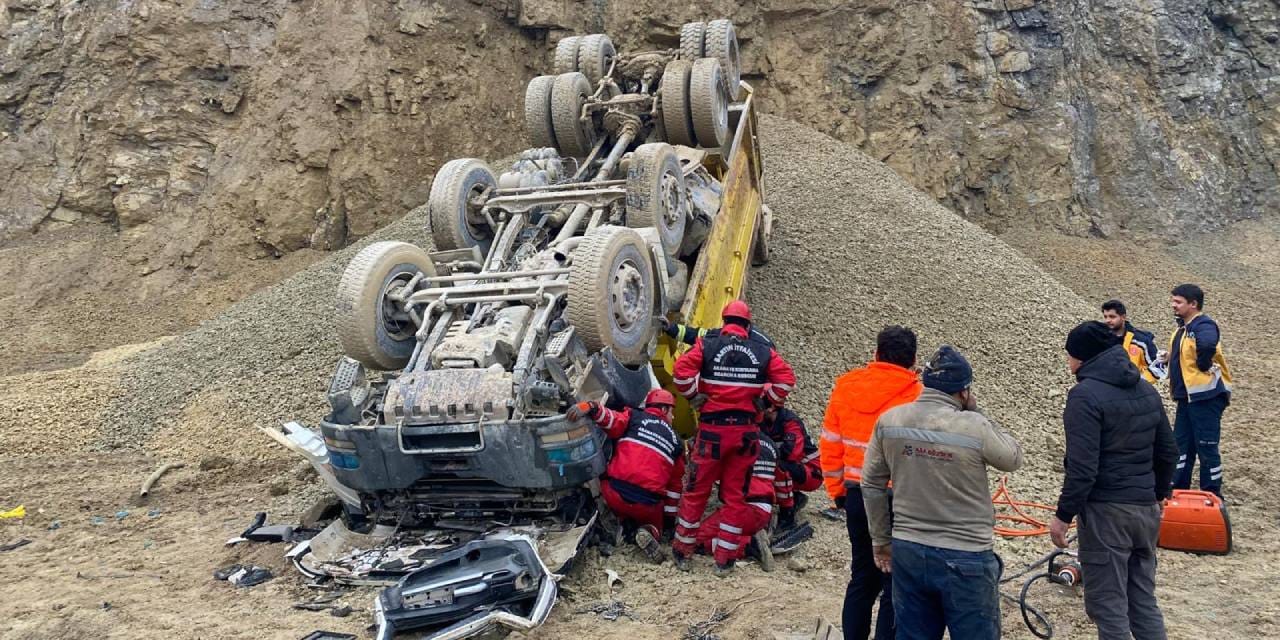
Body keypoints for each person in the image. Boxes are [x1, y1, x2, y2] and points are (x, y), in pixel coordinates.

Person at [862, 346, 1023, 640]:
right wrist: (975, 411)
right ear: (963, 390)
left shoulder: (890, 420)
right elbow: (1012, 458)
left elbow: (871, 485)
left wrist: (881, 540)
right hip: (966, 555)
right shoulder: (974, 425)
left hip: (909, 548)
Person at [1048, 321, 1177, 640]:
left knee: (1109, 607)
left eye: (1070, 356)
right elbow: (1168, 451)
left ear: (1084, 357)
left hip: (1107, 515)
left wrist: (1063, 516)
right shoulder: (1146, 389)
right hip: (1145, 511)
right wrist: (1159, 493)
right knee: (1143, 602)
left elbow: (1083, 468)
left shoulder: (1084, 396)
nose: (1068, 363)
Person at [671, 300, 796, 574]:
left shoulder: (708, 345)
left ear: (724, 320)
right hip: (745, 435)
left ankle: (683, 553)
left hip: (712, 433)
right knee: (735, 497)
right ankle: (725, 560)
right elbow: (786, 379)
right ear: (748, 326)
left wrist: (694, 397)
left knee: (696, 492)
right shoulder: (762, 351)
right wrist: (764, 403)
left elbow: (680, 373)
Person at [820, 326, 922, 640]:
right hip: (899, 500)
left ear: (876, 354)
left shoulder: (846, 386)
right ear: (913, 360)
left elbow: (830, 444)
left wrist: (837, 492)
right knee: (896, 584)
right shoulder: (918, 395)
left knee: (862, 577)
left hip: (856, 495)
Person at [566, 388, 684, 563]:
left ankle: (618, 525)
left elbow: (610, 419)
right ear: (664, 409)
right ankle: (649, 531)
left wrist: (589, 406)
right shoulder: (677, 442)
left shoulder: (634, 417)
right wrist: (668, 521)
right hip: (647, 504)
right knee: (655, 524)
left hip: (615, 493)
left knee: (606, 475)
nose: (672, 417)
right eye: (672, 412)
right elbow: (675, 488)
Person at [1158, 284, 1232, 497]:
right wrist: (1168, 358)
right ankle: (1178, 488)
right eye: (1173, 300)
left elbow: (1207, 345)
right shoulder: (1183, 329)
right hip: (1187, 398)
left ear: (1193, 304)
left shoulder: (1204, 325)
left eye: (1178, 301)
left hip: (1206, 397)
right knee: (1181, 445)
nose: (1173, 305)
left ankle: (1212, 494)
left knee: (1206, 446)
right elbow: (1183, 352)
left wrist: (1203, 364)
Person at [695, 436, 779, 572]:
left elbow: (709, 473)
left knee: (695, 539)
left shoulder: (732, 440)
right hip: (763, 510)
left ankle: (749, 545)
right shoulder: (771, 444)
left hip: (743, 509)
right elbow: (781, 479)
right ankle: (754, 538)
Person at [760, 399, 822, 531]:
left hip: (811, 472)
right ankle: (795, 499)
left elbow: (791, 454)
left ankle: (787, 517)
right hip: (796, 468)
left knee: (777, 468)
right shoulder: (762, 422)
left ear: (770, 407)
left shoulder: (790, 422)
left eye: (758, 403)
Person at [1100, 299, 1164, 383]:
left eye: (1112, 316)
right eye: (1105, 316)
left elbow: (1157, 365)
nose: (1108, 320)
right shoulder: (1100, 339)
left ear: (1123, 317)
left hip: (1133, 392)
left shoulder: (1141, 341)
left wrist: (1139, 382)